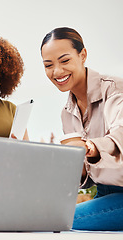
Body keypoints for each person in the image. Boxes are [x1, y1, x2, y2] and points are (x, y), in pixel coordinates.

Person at [41, 27, 123, 231]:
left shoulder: (115, 89)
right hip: (105, 194)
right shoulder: (67, 113)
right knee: (43, 215)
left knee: (54, 223)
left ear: (82, 55)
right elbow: (87, 175)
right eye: (48, 65)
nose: (57, 72)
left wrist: (91, 147)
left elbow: (120, 135)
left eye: (65, 60)